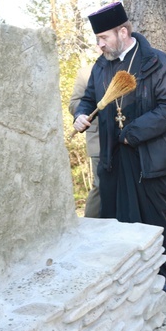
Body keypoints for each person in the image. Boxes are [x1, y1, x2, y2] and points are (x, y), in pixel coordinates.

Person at [73, 1, 166, 298]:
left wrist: (131, 133)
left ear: (123, 32)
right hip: (113, 158)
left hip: (148, 158)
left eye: (104, 38)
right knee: (115, 220)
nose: (100, 45)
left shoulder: (156, 62)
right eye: (97, 39)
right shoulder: (101, 65)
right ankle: (124, 278)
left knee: (151, 221)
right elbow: (89, 99)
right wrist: (81, 115)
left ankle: (160, 275)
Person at [69, 64, 100, 217]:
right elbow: (73, 105)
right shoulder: (86, 72)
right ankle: (90, 225)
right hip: (98, 140)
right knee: (101, 186)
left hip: (126, 138)